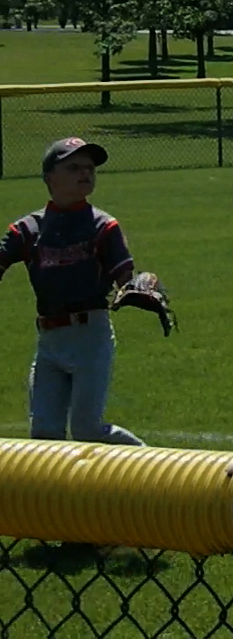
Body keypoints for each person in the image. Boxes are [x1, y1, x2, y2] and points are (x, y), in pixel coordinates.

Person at [0, 138, 147, 445]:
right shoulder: (27, 230)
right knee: (44, 434)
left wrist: (136, 288)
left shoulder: (103, 226)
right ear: (49, 177)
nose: (85, 173)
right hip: (49, 342)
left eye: (90, 168)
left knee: (88, 430)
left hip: (90, 337)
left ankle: (160, 473)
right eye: (73, 167)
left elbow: (126, 279)